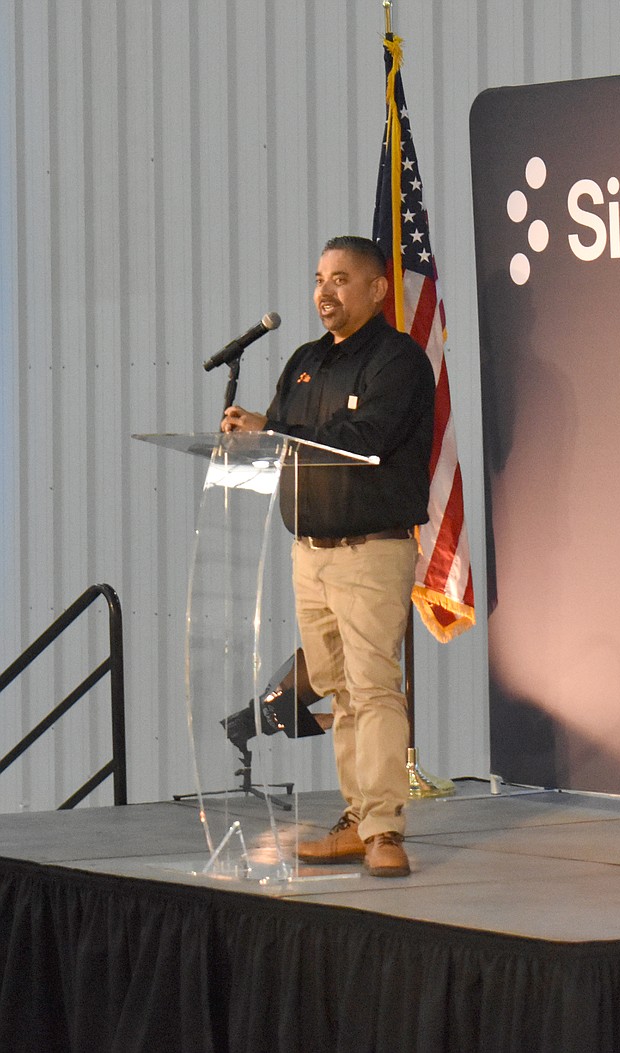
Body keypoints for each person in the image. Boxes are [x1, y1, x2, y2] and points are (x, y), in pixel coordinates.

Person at [221, 235, 434, 877]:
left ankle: (386, 831)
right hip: (309, 551)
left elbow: (364, 438)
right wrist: (250, 432)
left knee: (373, 689)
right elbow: (283, 439)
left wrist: (274, 429)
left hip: (369, 550)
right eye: (319, 278)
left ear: (375, 289)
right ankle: (356, 819)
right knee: (340, 692)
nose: (324, 292)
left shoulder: (399, 360)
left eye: (340, 279)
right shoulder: (306, 360)